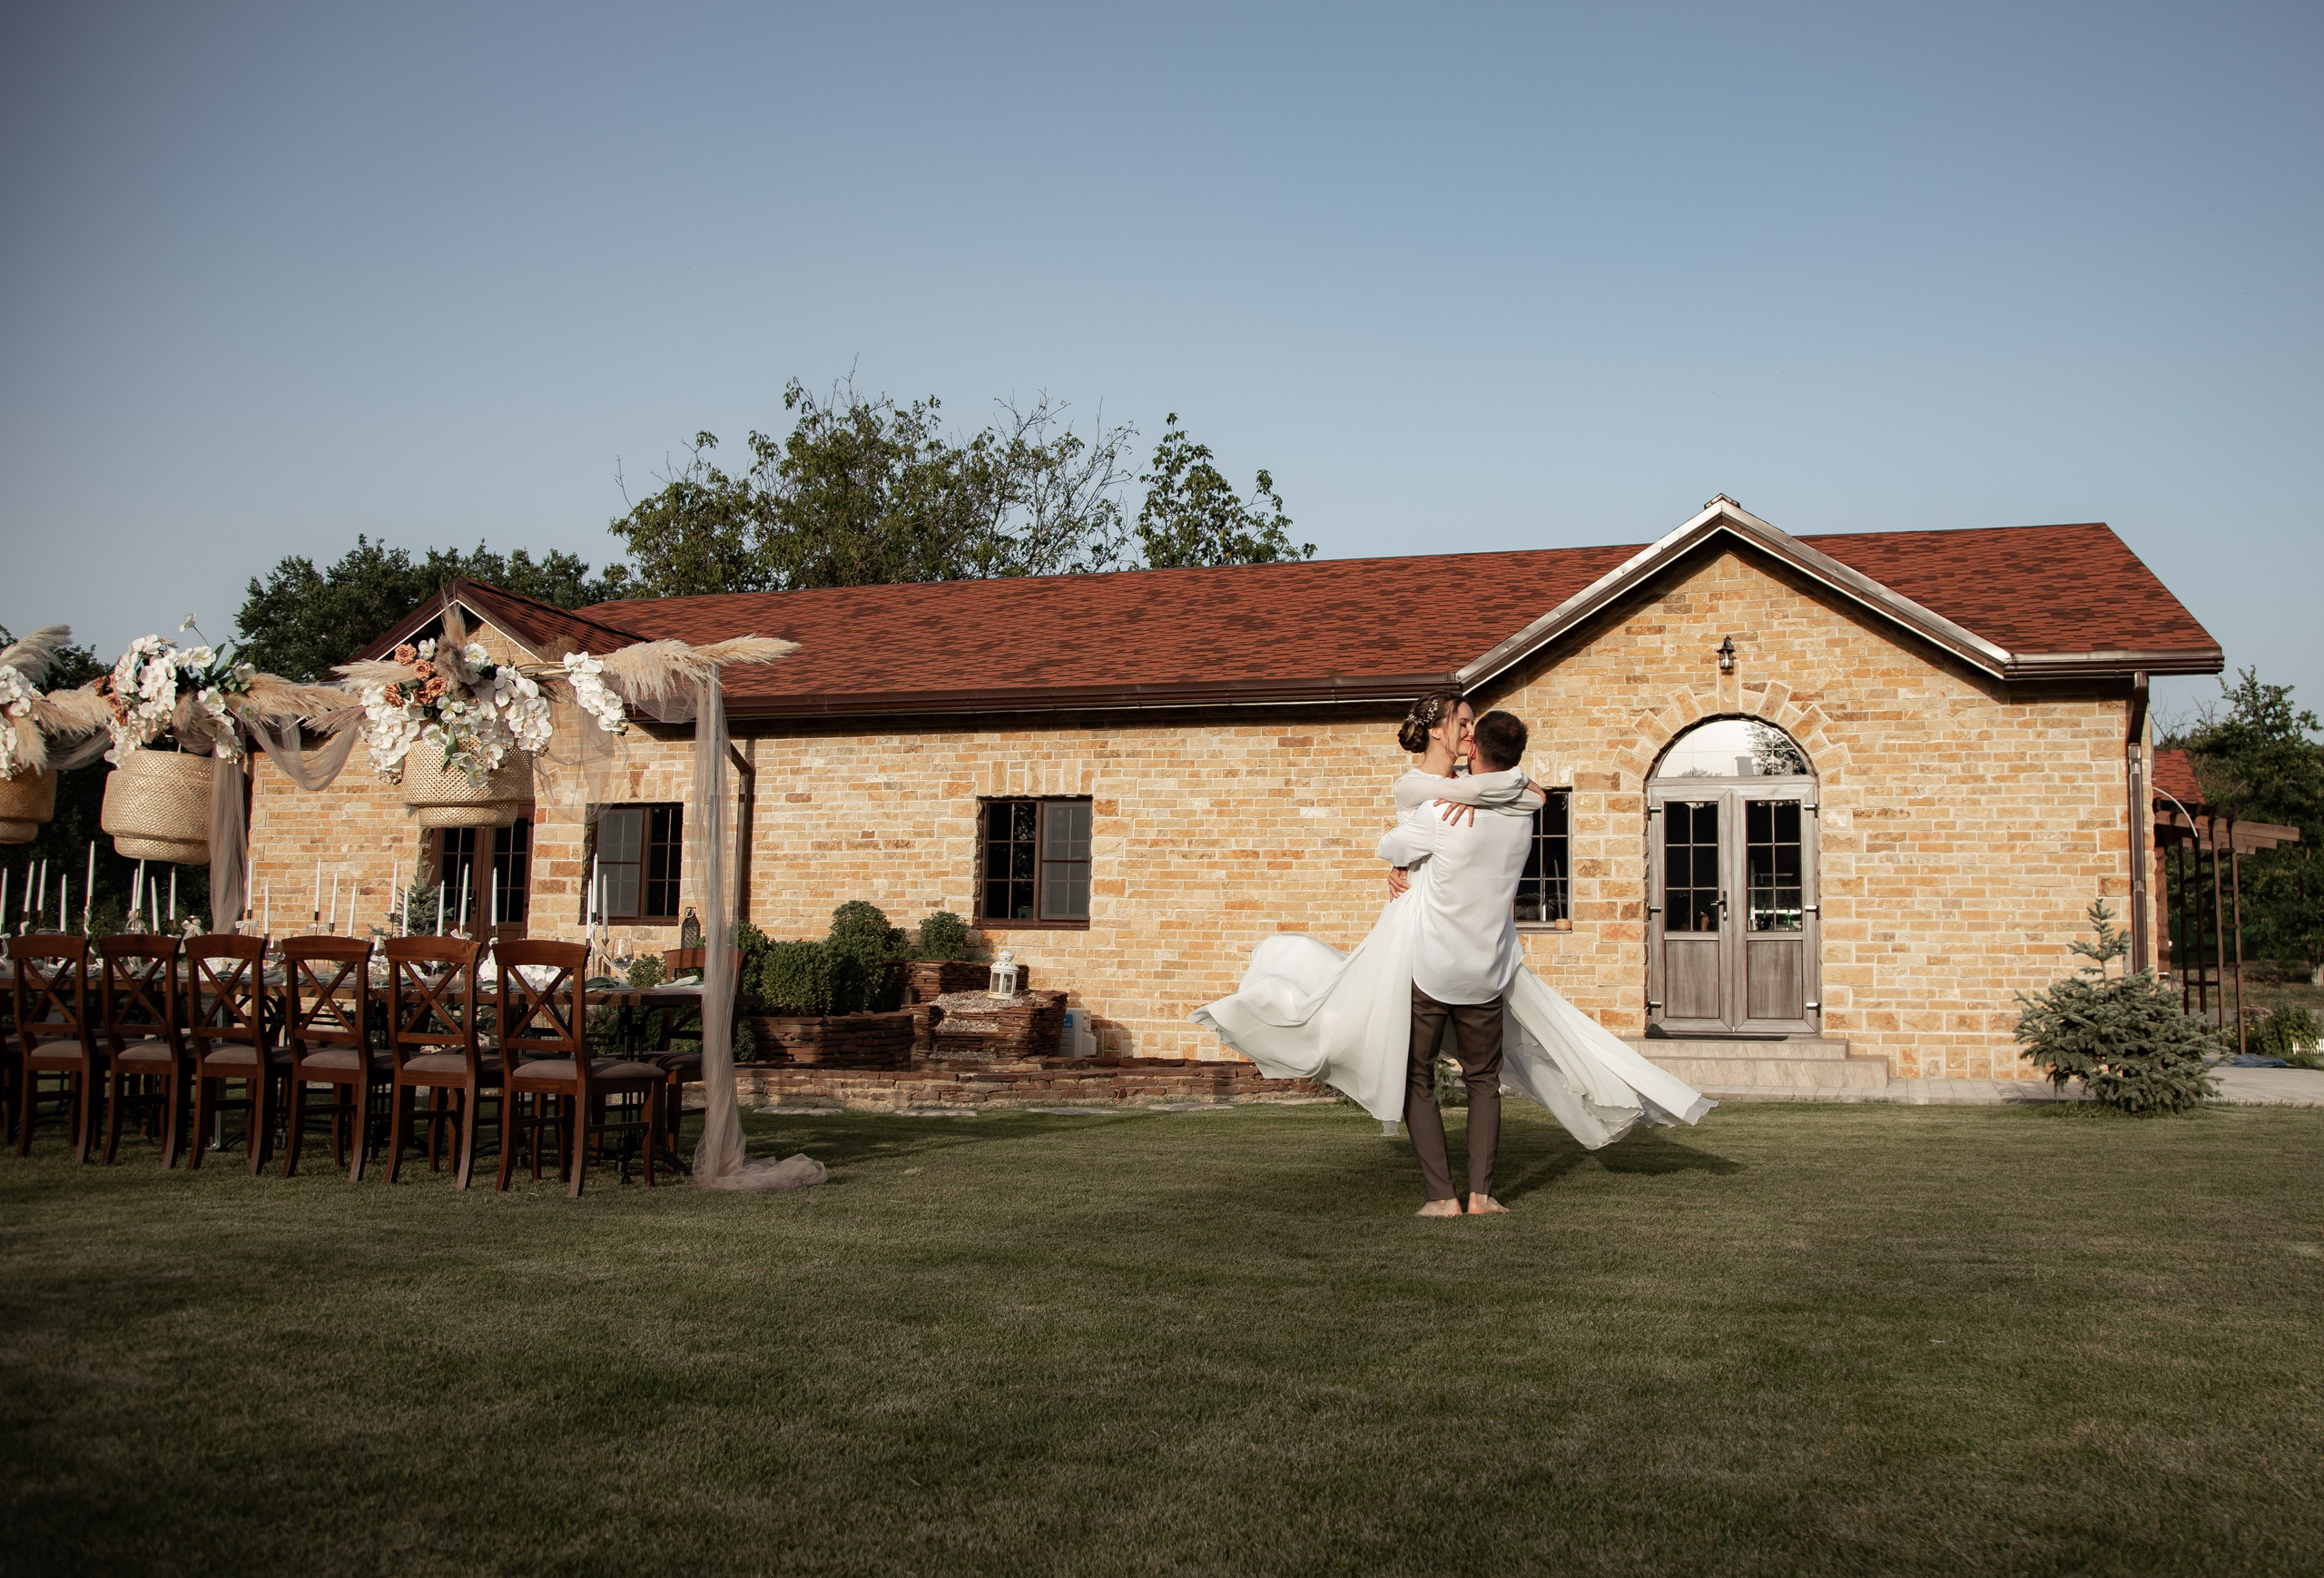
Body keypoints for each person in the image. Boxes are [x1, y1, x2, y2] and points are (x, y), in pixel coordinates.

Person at [1189, 690, 1713, 1216]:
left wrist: (1414, 849)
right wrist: (1477, 795)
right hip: (1486, 969)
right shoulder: (1519, 813)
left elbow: (1391, 846)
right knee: (1483, 1081)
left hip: (1432, 965)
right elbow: (1531, 793)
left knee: (1416, 1076)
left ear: (1477, 752)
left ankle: (1442, 1197)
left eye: (1471, 729)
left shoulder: (1441, 808)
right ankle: (1482, 1195)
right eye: (1459, 723)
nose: (1465, 734)